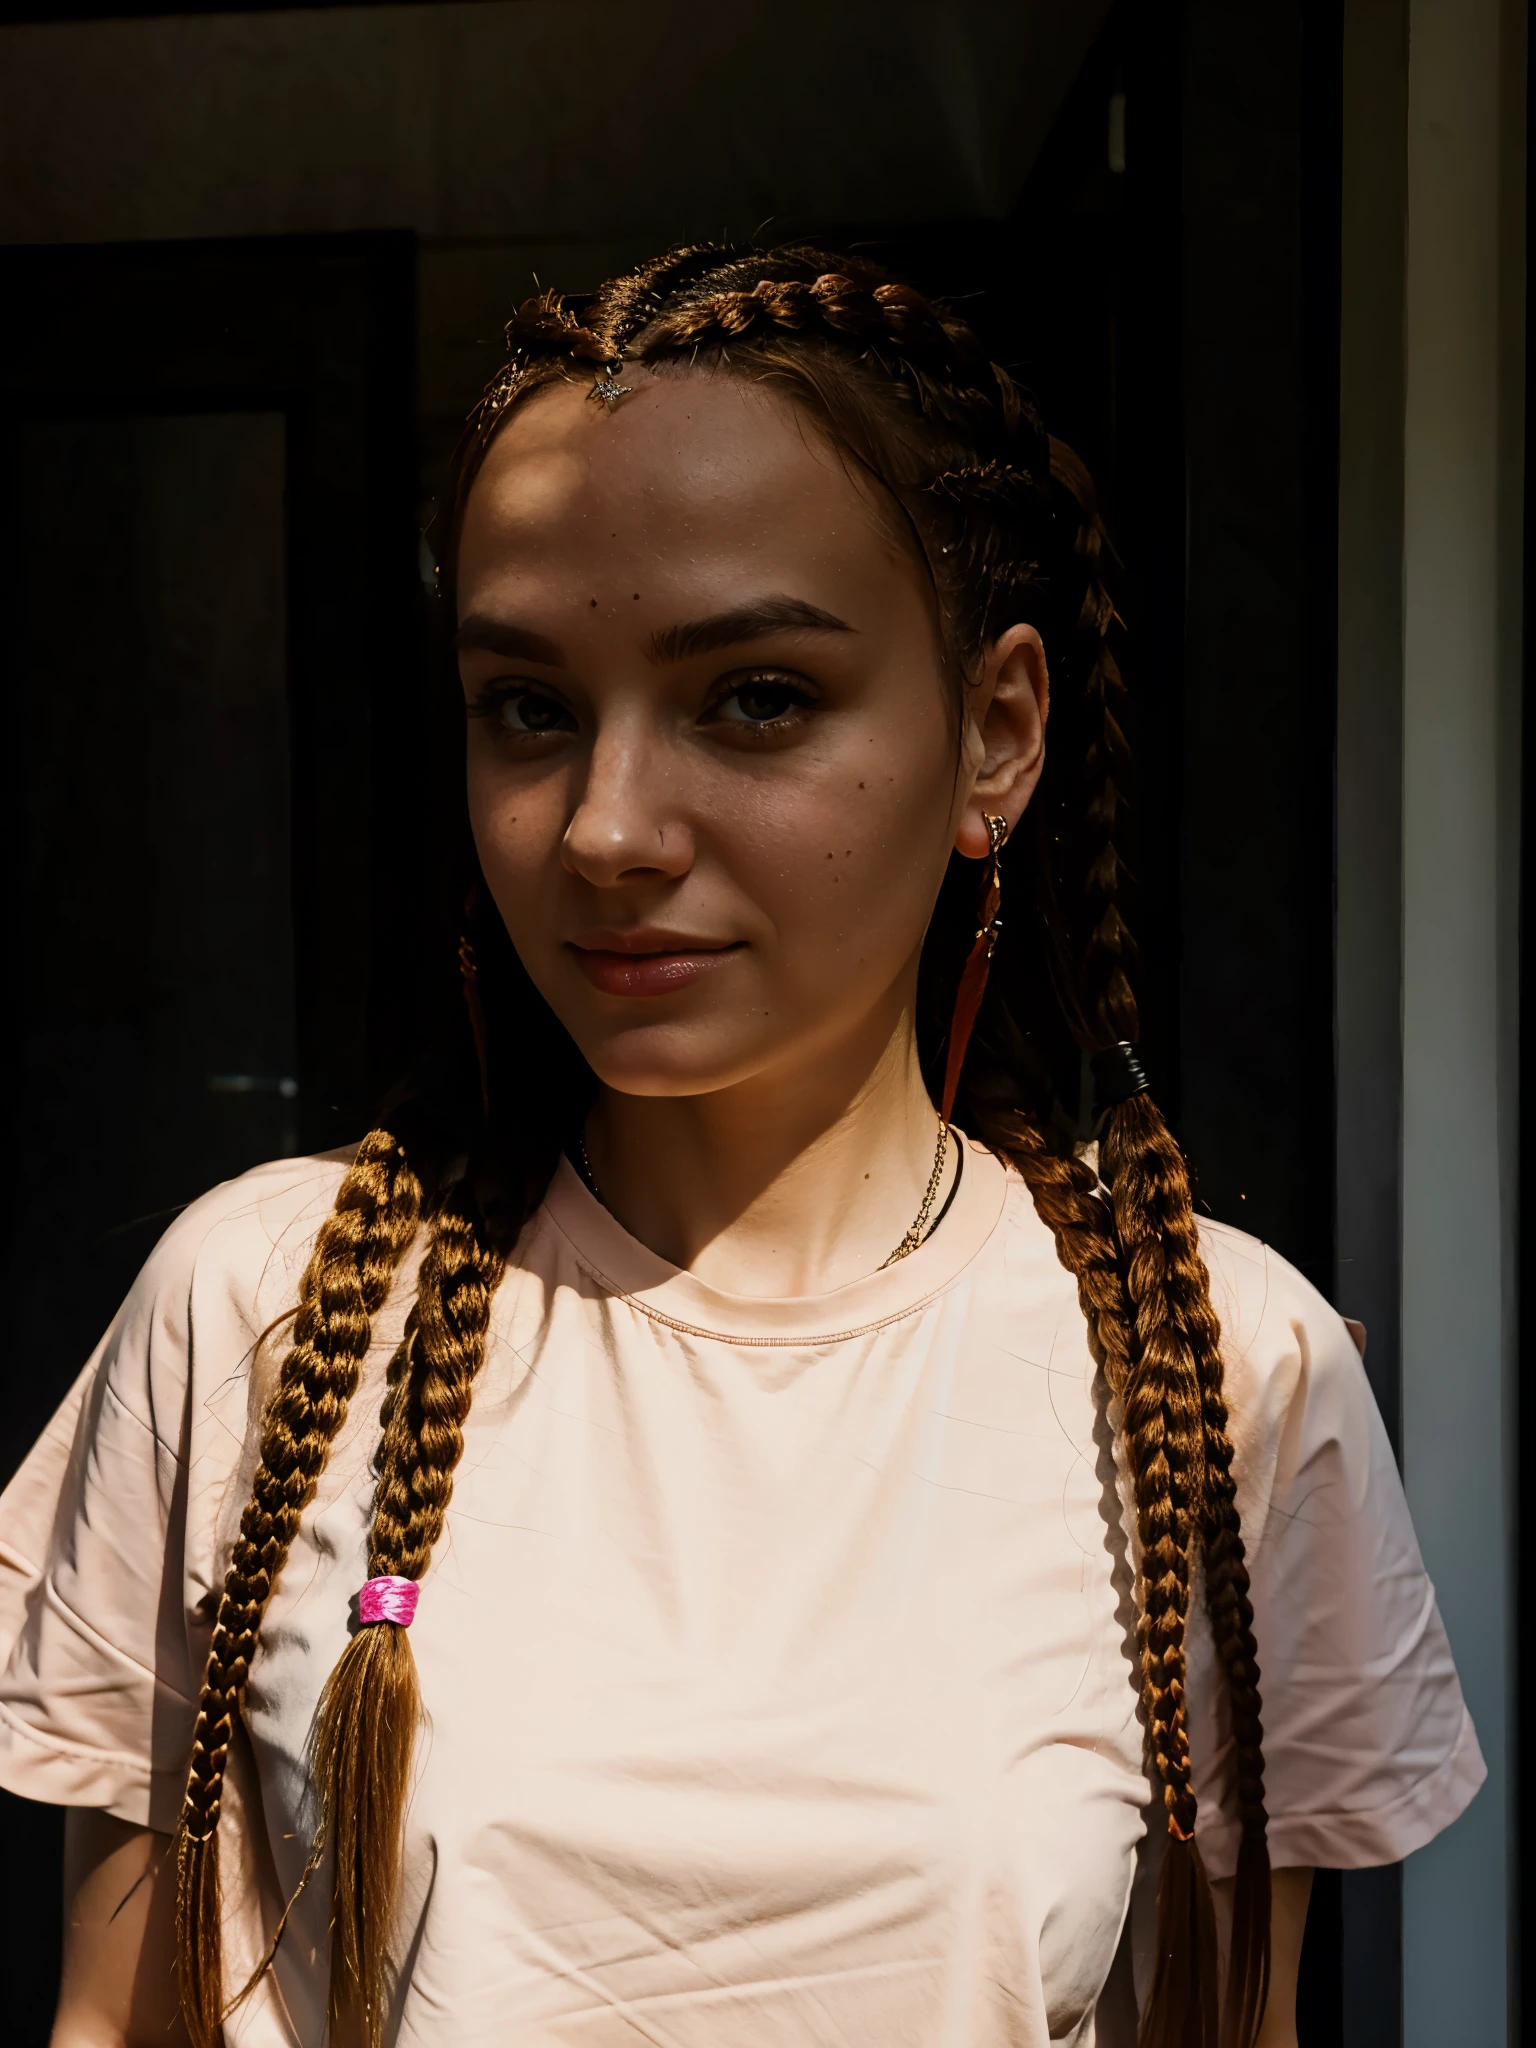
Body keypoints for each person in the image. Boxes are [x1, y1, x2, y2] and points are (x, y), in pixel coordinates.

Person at [0, 246, 1481, 2048]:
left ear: (996, 733)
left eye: (756, 696)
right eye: (528, 707)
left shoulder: (1219, 1368)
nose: (607, 827)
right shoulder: (267, 1308)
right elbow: (117, 2020)